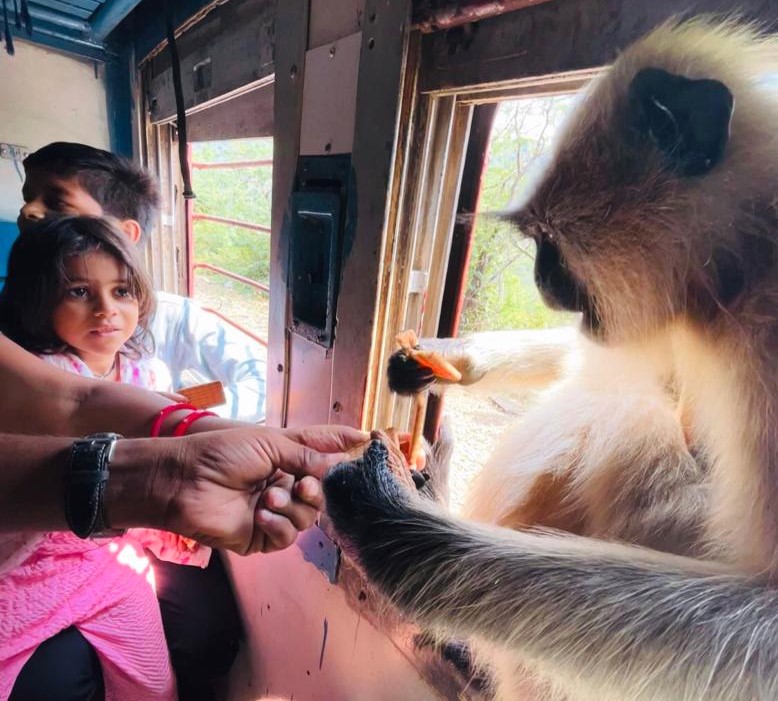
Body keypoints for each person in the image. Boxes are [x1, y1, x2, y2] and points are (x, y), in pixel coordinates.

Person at [0, 215, 217, 700]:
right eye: (79, 292)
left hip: (110, 560)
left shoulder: (147, 374)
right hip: (35, 562)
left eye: (122, 291)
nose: (106, 310)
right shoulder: (38, 380)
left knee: (155, 685)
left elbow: (148, 470)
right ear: (42, 302)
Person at [18, 141, 267, 423]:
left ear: (124, 235)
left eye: (57, 204)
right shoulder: (22, 356)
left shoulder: (170, 321)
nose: (28, 210)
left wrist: (178, 416)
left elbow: (263, 380)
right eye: (79, 292)